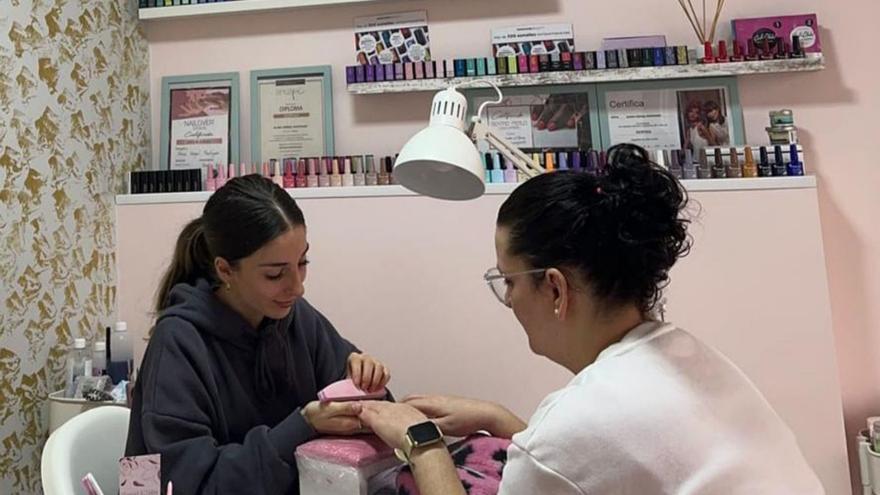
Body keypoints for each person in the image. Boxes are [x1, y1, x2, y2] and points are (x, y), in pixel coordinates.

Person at [357, 144, 824, 494]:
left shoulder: (574, 423)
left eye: (509, 281)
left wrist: (421, 442)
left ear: (555, 289)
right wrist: (499, 419)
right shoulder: (690, 355)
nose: (510, 299)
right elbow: (601, 460)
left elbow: (568, 450)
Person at [125, 175, 392, 494]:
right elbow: (185, 486)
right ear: (225, 270)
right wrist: (302, 426)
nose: (297, 286)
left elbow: (374, 412)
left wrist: (366, 383)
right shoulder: (176, 342)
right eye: (275, 273)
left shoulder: (294, 316)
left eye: (302, 262)